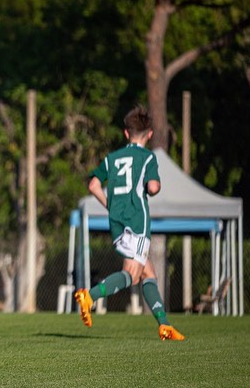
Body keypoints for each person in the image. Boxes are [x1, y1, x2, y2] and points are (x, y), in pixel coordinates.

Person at [74, 105, 185, 341]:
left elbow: (93, 185)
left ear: (126, 133)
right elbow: (153, 187)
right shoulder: (148, 157)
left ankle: (164, 325)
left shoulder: (112, 158)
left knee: (148, 271)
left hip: (116, 221)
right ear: (150, 134)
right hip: (137, 219)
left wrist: (110, 206)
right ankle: (90, 296)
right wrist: (152, 188)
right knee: (132, 274)